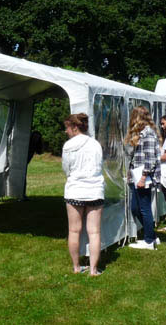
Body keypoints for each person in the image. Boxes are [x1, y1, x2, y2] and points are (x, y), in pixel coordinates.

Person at [61, 113, 105, 276]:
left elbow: (66, 169)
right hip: (95, 190)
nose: (65, 131)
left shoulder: (68, 146)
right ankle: (93, 270)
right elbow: (99, 165)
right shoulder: (96, 145)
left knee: (74, 231)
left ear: (74, 127)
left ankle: (76, 267)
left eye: (67, 127)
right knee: (94, 232)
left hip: (75, 189)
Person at [125, 106, 162, 250]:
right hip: (138, 176)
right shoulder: (142, 133)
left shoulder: (148, 134)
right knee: (135, 208)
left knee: (144, 208)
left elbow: (150, 159)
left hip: (144, 177)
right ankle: (151, 236)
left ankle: (148, 241)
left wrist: (143, 177)